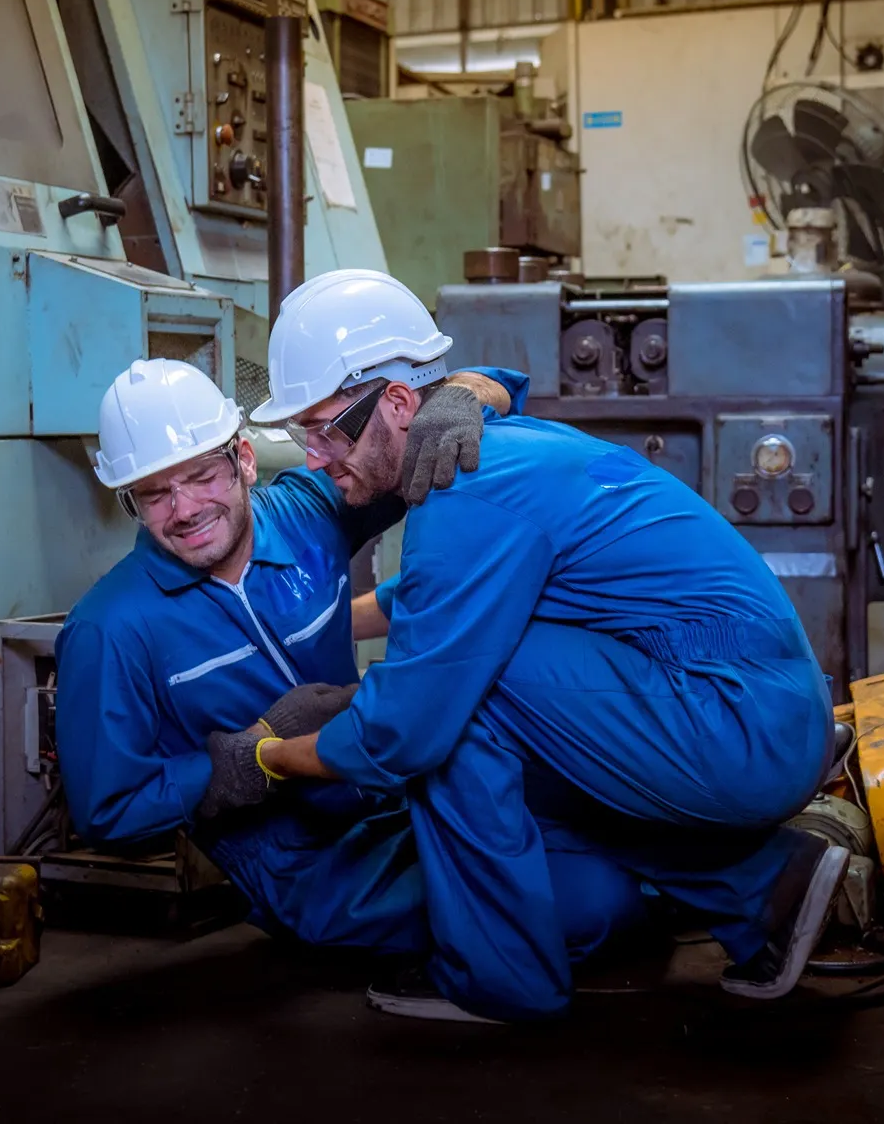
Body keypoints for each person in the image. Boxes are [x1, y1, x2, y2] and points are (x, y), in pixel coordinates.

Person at [205, 268, 848, 1024]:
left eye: (323, 429)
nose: (313, 456)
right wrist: (316, 620)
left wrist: (267, 756)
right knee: (493, 709)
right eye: (301, 434)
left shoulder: (464, 493)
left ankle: (499, 975)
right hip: (759, 712)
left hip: (740, 729)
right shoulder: (490, 450)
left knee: (460, 708)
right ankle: (762, 886)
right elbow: (446, 600)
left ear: (401, 403)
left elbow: (402, 733)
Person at [52, 353, 648, 985]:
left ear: (244, 461)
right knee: (595, 903)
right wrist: (232, 767)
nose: (185, 508)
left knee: (626, 828)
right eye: (154, 494)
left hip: (398, 789)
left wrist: (458, 400)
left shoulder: (308, 514)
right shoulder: (110, 628)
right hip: (309, 864)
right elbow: (106, 809)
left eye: (201, 476)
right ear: (132, 503)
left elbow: (484, 392)